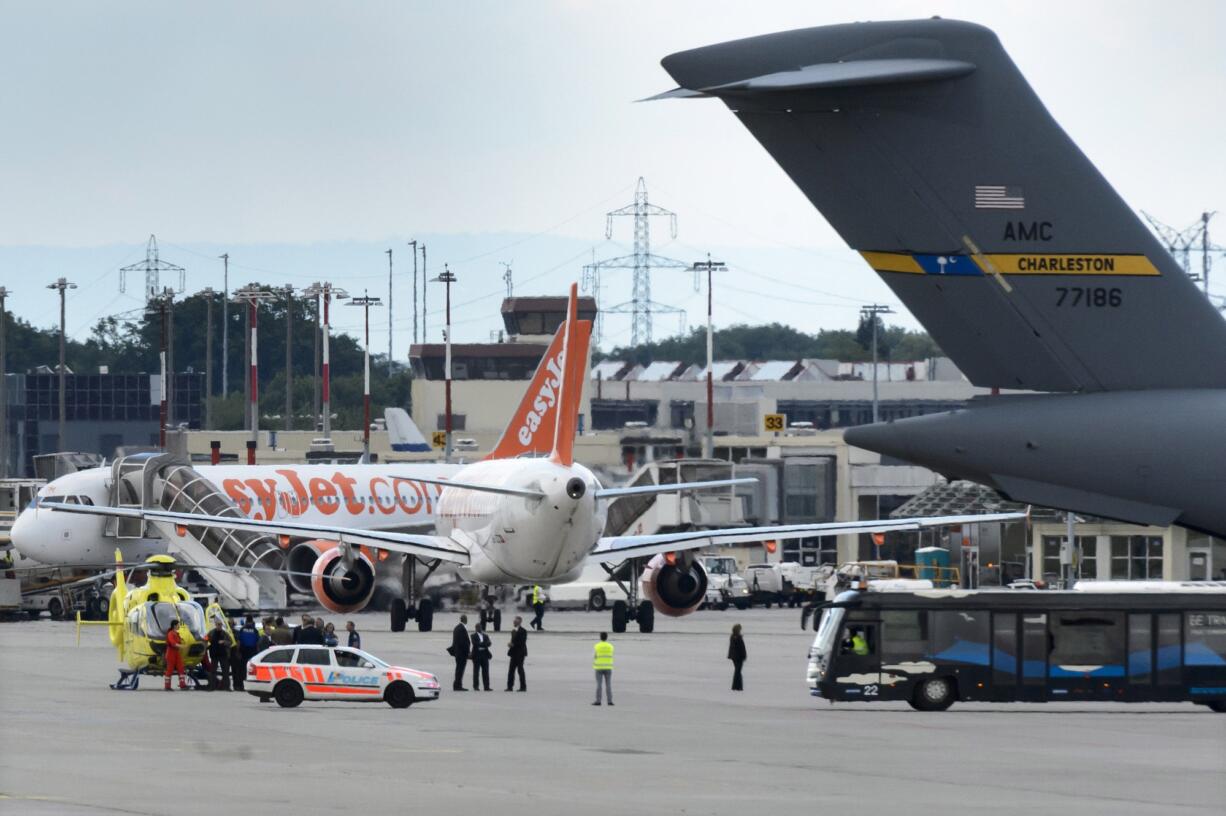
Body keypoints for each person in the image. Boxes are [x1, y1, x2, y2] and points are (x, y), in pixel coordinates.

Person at [207, 619, 232, 691]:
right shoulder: (211, 633)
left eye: (220, 624)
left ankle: (227, 687)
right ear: (215, 625)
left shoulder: (225, 633)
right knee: (213, 672)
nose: (219, 626)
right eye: (218, 624)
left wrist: (224, 642)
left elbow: (230, 642)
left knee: (225, 671)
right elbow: (206, 640)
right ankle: (212, 686)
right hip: (214, 655)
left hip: (223, 654)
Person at [163, 618, 187, 691]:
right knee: (169, 670)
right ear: (174, 625)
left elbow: (179, 641)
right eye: (178, 625)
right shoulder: (170, 634)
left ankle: (182, 684)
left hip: (176, 653)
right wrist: (182, 646)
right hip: (171, 653)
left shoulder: (176, 633)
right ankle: (167, 686)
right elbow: (173, 643)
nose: (179, 626)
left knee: (181, 668)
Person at [448, 614, 470, 691]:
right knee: (460, 670)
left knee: (459, 669)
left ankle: (457, 684)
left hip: (458, 653)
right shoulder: (462, 628)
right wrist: (467, 652)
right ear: (465, 620)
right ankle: (457, 685)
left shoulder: (457, 628)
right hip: (461, 654)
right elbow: (462, 643)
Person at [506, 615, 527, 692]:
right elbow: (513, 640)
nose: (514, 623)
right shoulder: (513, 631)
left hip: (520, 653)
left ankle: (523, 687)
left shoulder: (523, 631)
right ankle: (509, 687)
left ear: (520, 622)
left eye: (515, 621)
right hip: (513, 653)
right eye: (514, 621)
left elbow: (522, 642)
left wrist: (513, 644)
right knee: (511, 670)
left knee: (520, 670)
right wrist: (511, 644)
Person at [592, 631, 614, 706]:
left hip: (599, 667)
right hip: (608, 667)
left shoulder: (597, 646)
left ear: (600, 637)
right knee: (608, 685)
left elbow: (595, 656)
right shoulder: (610, 646)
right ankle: (610, 701)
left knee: (599, 685)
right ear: (607, 637)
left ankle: (598, 701)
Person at [470, 623, 492, 691]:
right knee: (476, 671)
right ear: (476, 628)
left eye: (480, 627)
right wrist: (484, 644)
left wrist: (481, 644)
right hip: (477, 655)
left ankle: (486, 686)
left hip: (484, 654)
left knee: (486, 671)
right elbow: (475, 644)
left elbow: (489, 643)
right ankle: (476, 686)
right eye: (478, 627)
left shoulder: (485, 635)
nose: (479, 628)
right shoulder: (473, 635)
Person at [728, 623, 747, 691]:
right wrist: (744, 656)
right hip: (738, 657)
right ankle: (737, 686)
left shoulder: (733, 636)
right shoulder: (737, 637)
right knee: (738, 672)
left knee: (737, 671)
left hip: (734, 657)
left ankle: (737, 686)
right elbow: (741, 648)